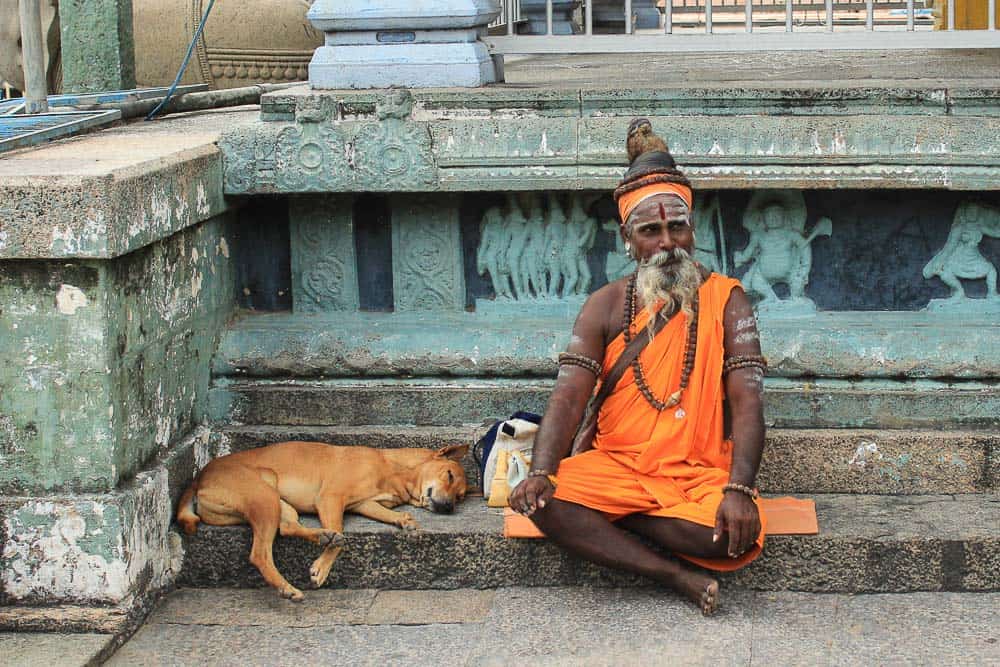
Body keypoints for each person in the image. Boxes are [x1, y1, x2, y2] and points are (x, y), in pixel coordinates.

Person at [509, 118, 768, 616]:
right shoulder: (604, 306)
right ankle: (674, 575)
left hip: (699, 474)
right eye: (651, 231)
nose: (667, 242)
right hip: (616, 466)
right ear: (628, 240)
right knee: (542, 502)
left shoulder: (728, 299)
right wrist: (542, 470)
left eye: (678, 227)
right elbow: (568, 397)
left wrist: (737, 488)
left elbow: (749, 398)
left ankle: (610, 523)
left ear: (692, 230)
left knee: (727, 533)